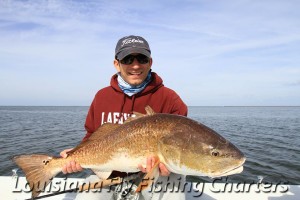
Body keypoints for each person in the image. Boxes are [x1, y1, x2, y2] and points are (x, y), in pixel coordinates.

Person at [60, 35, 188, 199]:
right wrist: (76, 154)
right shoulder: (102, 96)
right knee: (88, 196)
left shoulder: (170, 99)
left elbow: (181, 145)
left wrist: (168, 166)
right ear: (116, 64)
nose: (135, 65)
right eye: (128, 59)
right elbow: (92, 136)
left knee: (174, 191)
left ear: (150, 62)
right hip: (110, 176)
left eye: (142, 58)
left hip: (156, 177)